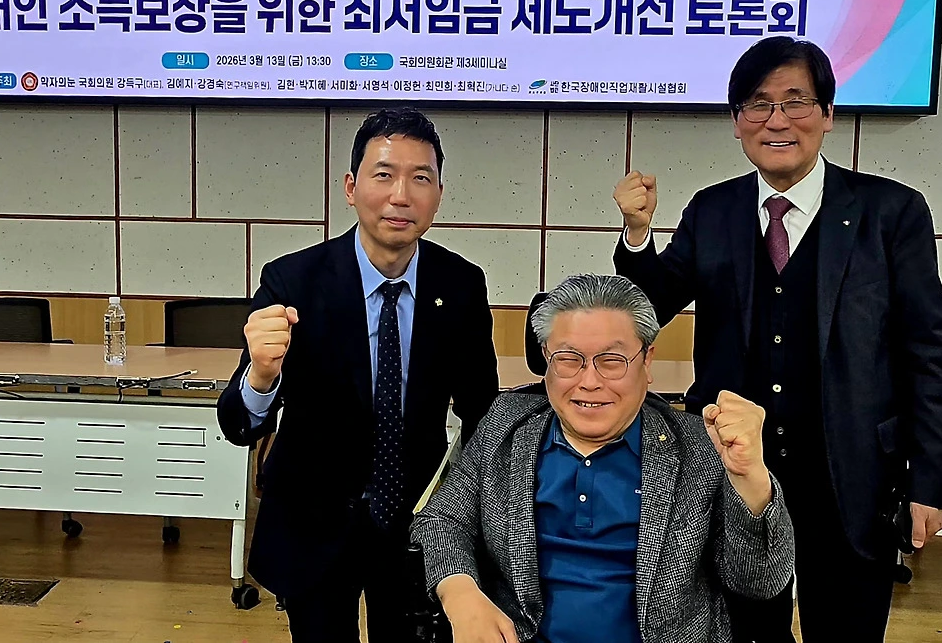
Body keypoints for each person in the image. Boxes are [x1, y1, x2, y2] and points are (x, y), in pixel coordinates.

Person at [612, 36, 942, 642]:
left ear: (827, 114)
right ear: (737, 121)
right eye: (758, 104)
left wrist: (929, 483)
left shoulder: (891, 212)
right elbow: (650, 307)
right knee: (744, 631)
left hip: (852, 473)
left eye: (796, 102)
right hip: (734, 469)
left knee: (847, 631)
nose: (777, 120)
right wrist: (639, 236)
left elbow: (927, 354)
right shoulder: (713, 210)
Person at [216, 107, 500, 642]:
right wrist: (260, 376)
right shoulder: (294, 281)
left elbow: (482, 411)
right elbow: (238, 424)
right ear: (351, 187)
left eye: (421, 178)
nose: (401, 196)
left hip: (417, 525)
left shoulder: (461, 284)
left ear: (439, 194)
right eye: (384, 175)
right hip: (314, 525)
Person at [412, 273, 794, 643]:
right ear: (546, 359)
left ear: (647, 361)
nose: (589, 381)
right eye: (569, 359)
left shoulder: (699, 446)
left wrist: (749, 477)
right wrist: (461, 594)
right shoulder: (505, 426)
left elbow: (759, 583)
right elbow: (441, 521)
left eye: (611, 361)